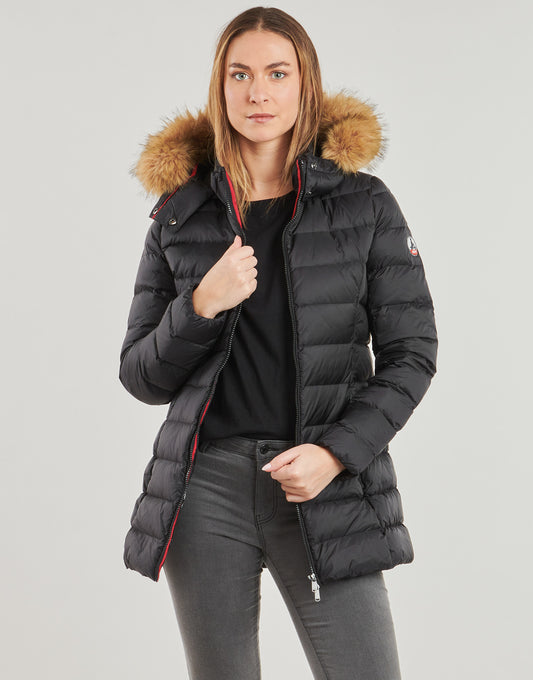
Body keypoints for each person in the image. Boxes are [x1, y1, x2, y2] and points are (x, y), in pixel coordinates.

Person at [118, 6, 438, 679]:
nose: (257, 92)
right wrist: (199, 306)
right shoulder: (180, 215)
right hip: (205, 490)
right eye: (239, 74)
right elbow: (141, 376)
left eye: (276, 73)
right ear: (220, 87)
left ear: (304, 84)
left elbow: (412, 355)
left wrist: (334, 453)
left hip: (323, 485)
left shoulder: (363, 204)